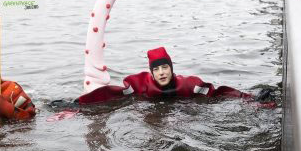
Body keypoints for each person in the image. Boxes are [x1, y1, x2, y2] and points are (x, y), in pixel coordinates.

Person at [78, 47, 262, 104]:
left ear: (171, 68)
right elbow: (113, 95)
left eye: (165, 67)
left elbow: (218, 93)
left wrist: (250, 98)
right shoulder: (140, 85)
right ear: (151, 72)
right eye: (156, 70)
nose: (161, 73)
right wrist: (78, 104)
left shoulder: (188, 85)